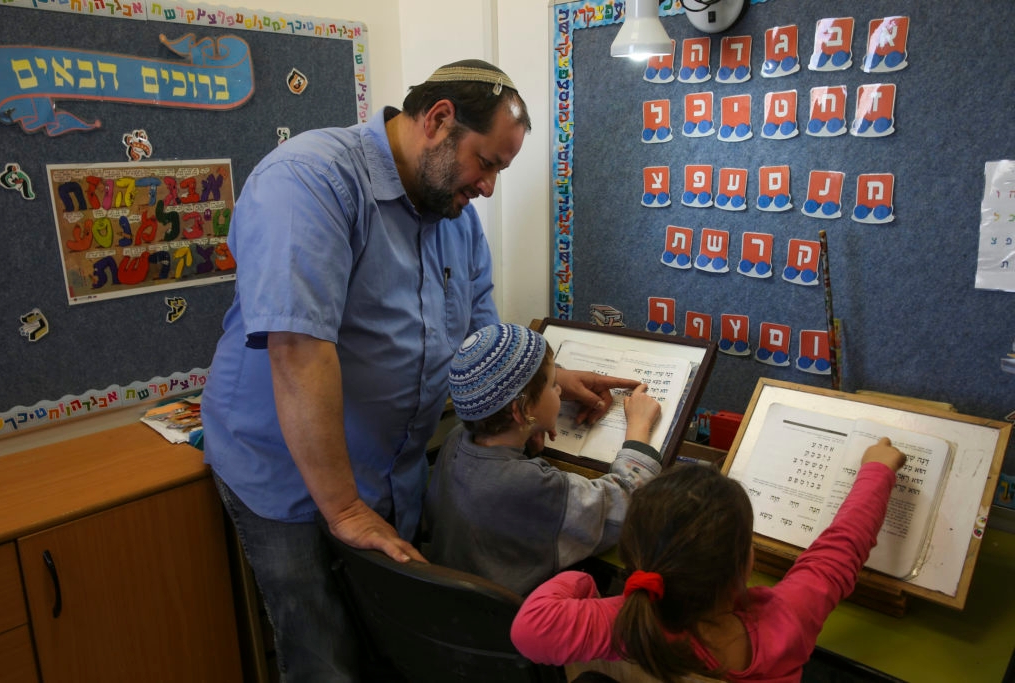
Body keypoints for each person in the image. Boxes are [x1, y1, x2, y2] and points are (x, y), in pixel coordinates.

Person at [200, 59, 642, 682]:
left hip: (386, 471)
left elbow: (482, 337)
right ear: (438, 121)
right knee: (322, 652)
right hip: (286, 474)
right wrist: (347, 510)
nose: (489, 187)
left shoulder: (453, 217)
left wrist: (550, 376)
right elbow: (298, 354)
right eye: (486, 163)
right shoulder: (310, 179)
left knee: (384, 638)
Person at [510, 438, 907, 683]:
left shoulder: (621, 622)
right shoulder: (786, 622)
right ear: (745, 565)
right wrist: (877, 469)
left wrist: (584, 585)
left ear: (635, 559)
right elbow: (838, 554)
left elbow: (528, 630)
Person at [423, 323, 663, 595]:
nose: (560, 391)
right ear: (522, 411)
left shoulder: (456, 439)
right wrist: (639, 428)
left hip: (457, 607)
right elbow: (626, 506)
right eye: (552, 384)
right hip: (514, 623)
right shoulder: (529, 484)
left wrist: (525, 438)